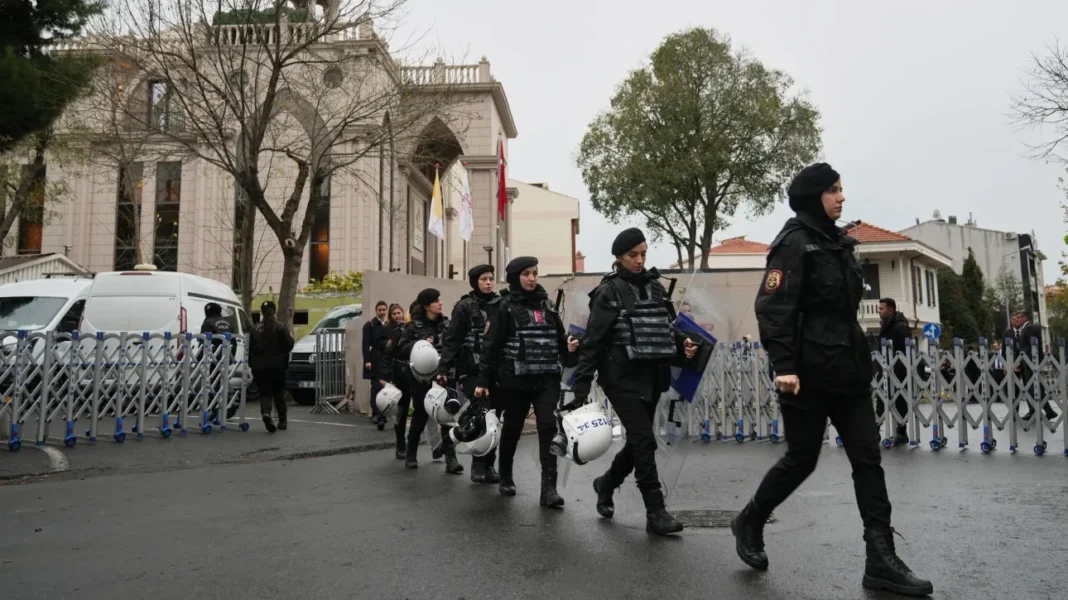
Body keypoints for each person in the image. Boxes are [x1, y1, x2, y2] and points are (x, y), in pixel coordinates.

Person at [729, 163, 932, 597]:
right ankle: (750, 519)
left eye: (842, 189)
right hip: (806, 372)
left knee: (868, 459)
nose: (842, 197)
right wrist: (784, 365)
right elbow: (773, 308)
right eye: (833, 190)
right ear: (813, 196)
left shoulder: (839, 243)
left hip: (849, 367)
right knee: (802, 459)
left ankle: (880, 558)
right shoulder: (792, 245)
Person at [570, 228, 700, 536]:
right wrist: (581, 385)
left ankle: (606, 484)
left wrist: (683, 341)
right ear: (618, 257)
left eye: (643, 254)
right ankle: (656, 513)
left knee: (639, 442)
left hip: (653, 376)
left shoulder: (655, 287)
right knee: (643, 441)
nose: (639, 260)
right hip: (621, 379)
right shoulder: (608, 292)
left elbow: (668, 326)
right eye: (633, 255)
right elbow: (594, 341)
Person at [475, 256, 579, 506]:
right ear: (515, 278)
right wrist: (483, 381)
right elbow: (490, 347)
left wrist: (570, 345)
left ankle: (549, 489)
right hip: (515, 380)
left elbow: (560, 338)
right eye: (526, 274)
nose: (532, 278)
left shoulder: (547, 305)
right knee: (512, 428)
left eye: (534, 273)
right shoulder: (504, 306)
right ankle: (506, 476)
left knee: (548, 428)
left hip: (546, 379)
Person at [439, 264, 501, 484]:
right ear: (475, 282)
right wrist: (444, 368)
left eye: (491, 278)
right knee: (479, 416)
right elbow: (452, 340)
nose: (488, 283)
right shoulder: (464, 306)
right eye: (484, 279)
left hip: (497, 370)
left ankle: (490, 464)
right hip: (472, 370)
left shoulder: (500, 304)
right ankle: (478, 464)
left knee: (495, 419)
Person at [396, 289, 461, 473]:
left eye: (440, 300)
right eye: (436, 301)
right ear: (426, 306)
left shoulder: (446, 324)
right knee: (421, 414)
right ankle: (411, 454)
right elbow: (401, 350)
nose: (440, 303)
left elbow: (453, 346)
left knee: (446, 414)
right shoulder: (413, 327)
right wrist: (420, 344)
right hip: (420, 378)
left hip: (443, 374)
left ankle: (451, 459)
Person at [248, 301, 295, 433]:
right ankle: (282, 420)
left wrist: (252, 364)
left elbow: (250, 348)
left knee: (265, 392)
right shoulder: (281, 326)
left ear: (262, 312)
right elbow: (288, 345)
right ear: (274, 310)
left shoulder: (255, 328)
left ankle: (266, 413)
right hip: (277, 365)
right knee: (279, 392)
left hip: (259, 366)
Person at [877, 297, 911, 445]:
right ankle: (875, 432)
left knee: (900, 402)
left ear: (890, 310)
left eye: (881, 308)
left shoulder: (900, 327)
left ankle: (902, 433)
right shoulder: (885, 326)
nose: (879, 311)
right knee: (881, 401)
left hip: (898, 373)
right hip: (885, 370)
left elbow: (905, 352)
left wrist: (898, 370)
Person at [1011, 311, 1057, 420]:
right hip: (1028, 362)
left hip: (1031, 362)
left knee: (1034, 387)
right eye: (1016, 318)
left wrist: (1027, 360)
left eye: (1019, 317)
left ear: (1024, 318)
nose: (1017, 320)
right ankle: (1043, 411)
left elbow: (1032, 346)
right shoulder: (1025, 329)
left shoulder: (1029, 328)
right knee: (1033, 387)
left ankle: (1044, 411)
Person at [380, 303, 411, 459]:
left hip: (415, 376)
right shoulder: (393, 331)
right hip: (399, 376)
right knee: (401, 412)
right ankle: (401, 444)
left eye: (400, 313)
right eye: (395, 313)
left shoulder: (413, 329)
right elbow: (387, 355)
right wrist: (385, 377)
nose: (398, 316)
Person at [202, 302, 238, 421]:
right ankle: (229, 403)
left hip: (213, 357)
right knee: (223, 380)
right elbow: (234, 341)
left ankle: (219, 408)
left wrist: (201, 358)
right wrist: (231, 357)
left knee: (214, 384)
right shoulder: (228, 322)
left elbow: (204, 341)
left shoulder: (208, 323)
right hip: (226, 356)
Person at [363, 301, 389, 427]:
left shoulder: (388, 324)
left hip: (386, 360)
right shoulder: (370, 325)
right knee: (376, 387)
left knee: (385, 387)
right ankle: (375, 413)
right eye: (380, 310)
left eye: (384, 309)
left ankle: (382, 413)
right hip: (374, 360)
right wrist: (367, 361)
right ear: (376, 311)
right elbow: (365, 344)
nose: (382, 312)